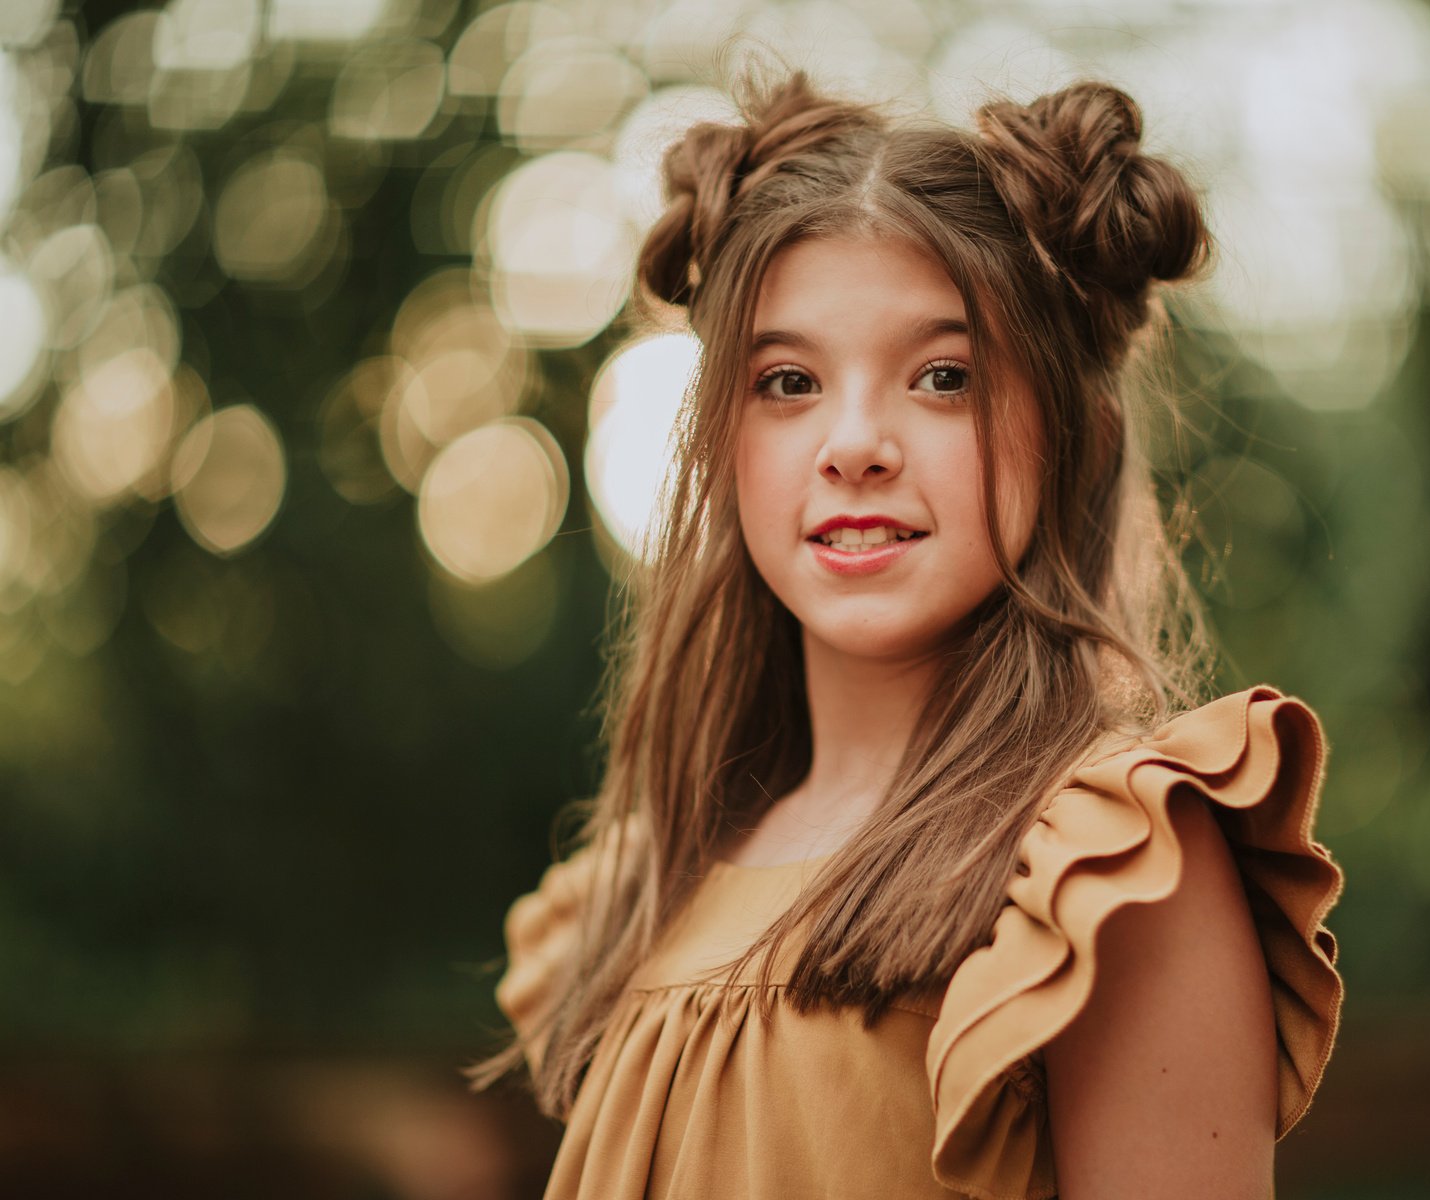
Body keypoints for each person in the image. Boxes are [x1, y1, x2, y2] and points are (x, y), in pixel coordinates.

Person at [474, 69, 1345, 1199]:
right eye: (787, 380)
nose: (853, 444)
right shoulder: (651, 879)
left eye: (944, 377)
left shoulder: (1111, 869)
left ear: (1074, 427)